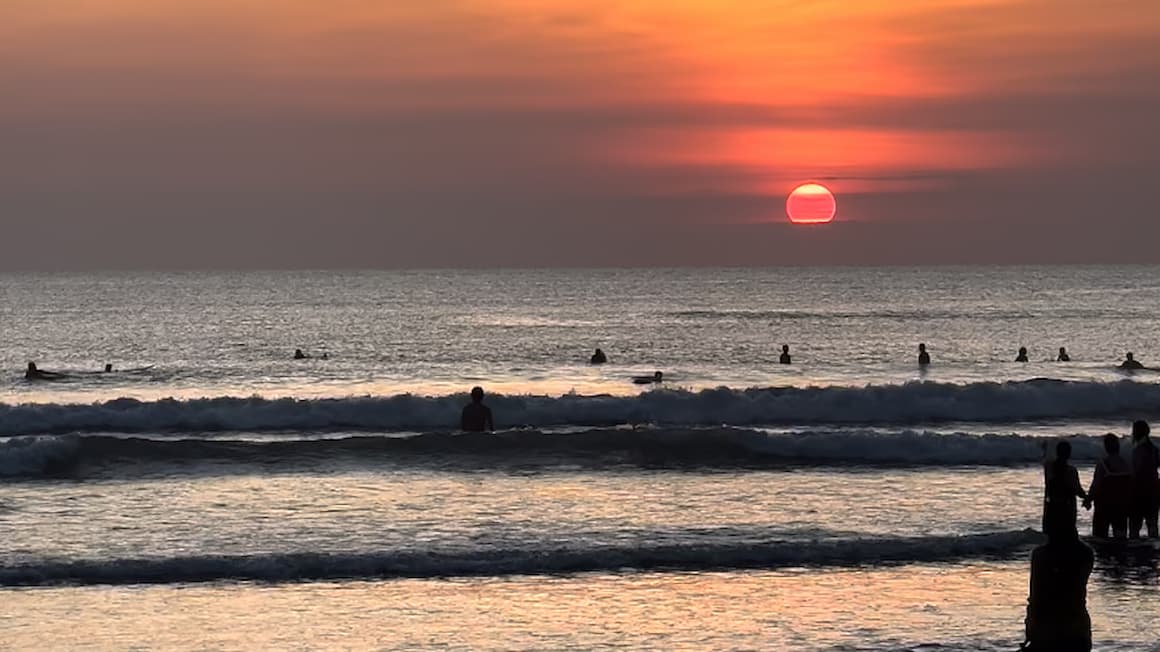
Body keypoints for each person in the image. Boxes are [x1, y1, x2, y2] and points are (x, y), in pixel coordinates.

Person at [1022, 517, 1094, 652]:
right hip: (1077, 625)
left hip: (1047, 627)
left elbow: (1036, 594)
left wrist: (1030, 625)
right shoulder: (1085, 553)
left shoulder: (1041, 555)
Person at [1083, 433, 1132, 539]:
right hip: (1121, 505)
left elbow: (1096, 485)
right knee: (1121, 538)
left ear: (1106, 447)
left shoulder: (1103, 464)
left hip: (1104, 506)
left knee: (1099, 537)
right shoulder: (1127, 463)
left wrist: (1088, 500)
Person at [1043, 441, 1087, 537]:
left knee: (1052, 536)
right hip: (1067, 508)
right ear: (1069, 454)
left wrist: (1045, 447)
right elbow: (1078, 490)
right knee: (1068, 535)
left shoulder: (1049, 468)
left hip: (1052, 507)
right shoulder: (1071, 471)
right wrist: (1087, 498)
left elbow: (1047, 459)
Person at [1129, 420, 1159, 538]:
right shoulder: (1154, 449)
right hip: (1153, 490)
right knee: (1152, 524)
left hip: (1140, 491)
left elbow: (1137, 471)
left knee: (1134, 525)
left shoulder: (1138, 450)